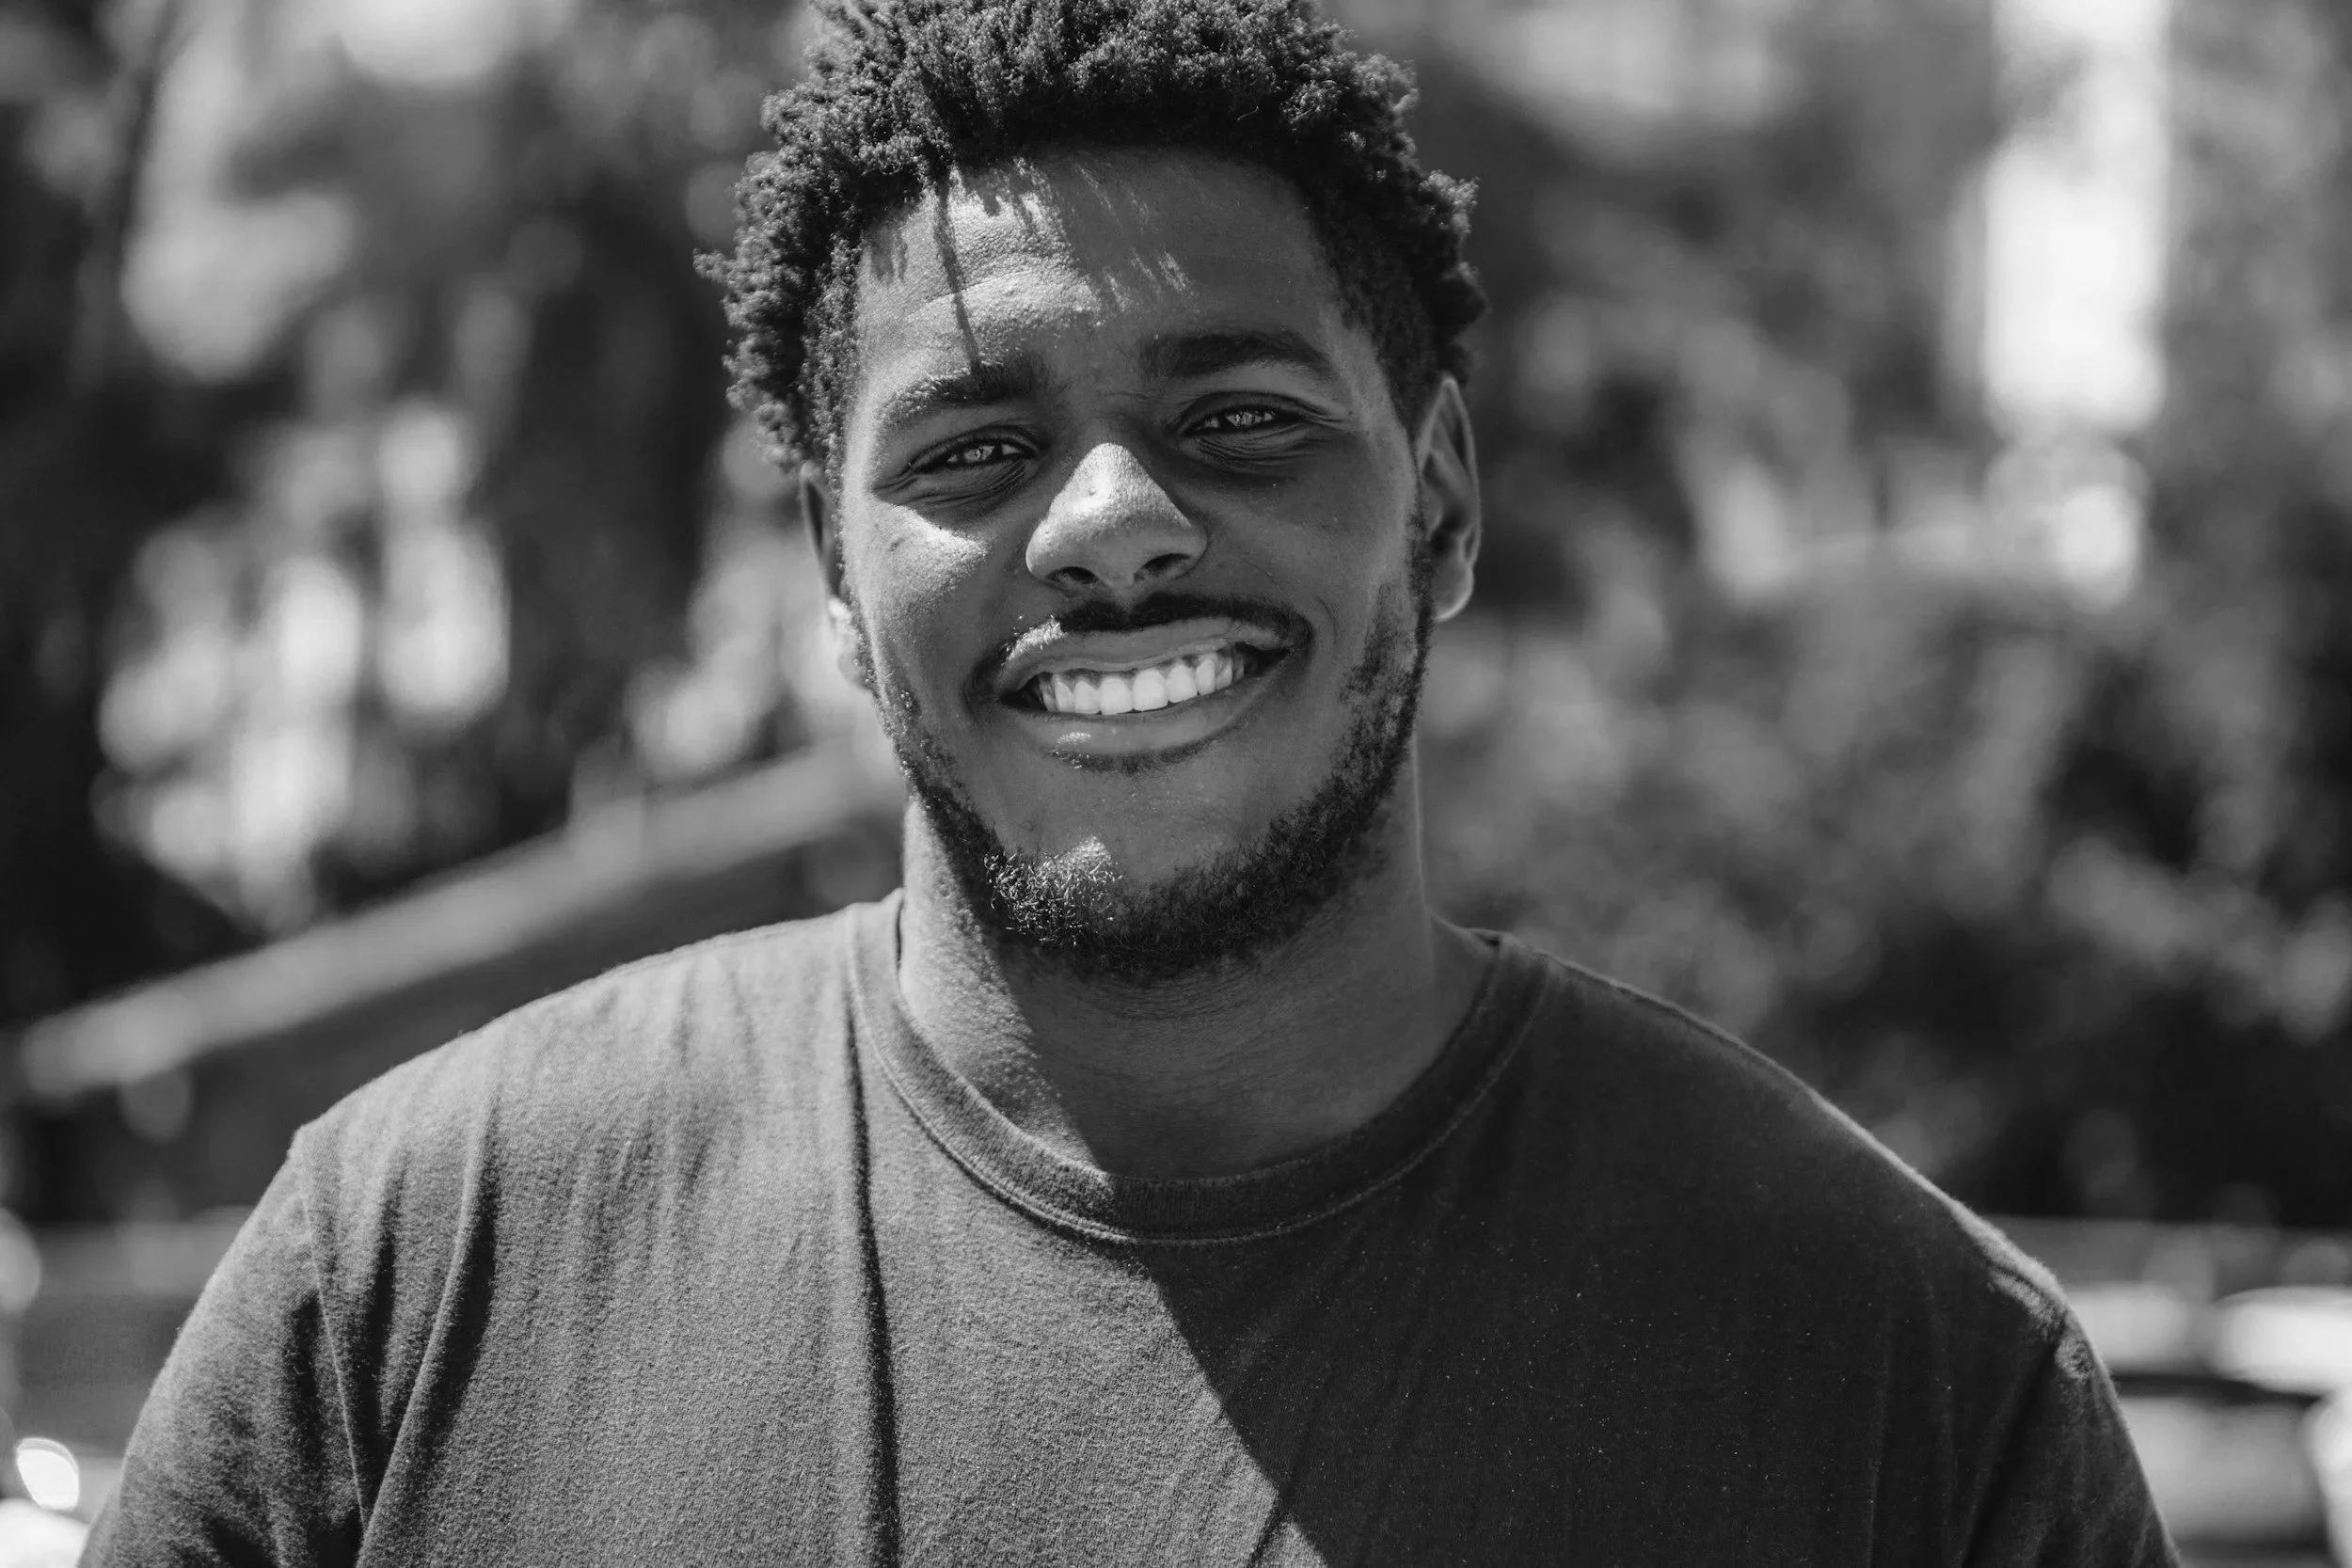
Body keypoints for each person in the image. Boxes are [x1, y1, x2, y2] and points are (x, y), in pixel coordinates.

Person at [85, 0, 2180, 1561]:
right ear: (832, 566)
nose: (1104, 524)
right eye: (971, 449)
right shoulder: (416, 1259)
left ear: (1436, 504)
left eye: (1241, 417)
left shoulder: (1896, 1368)